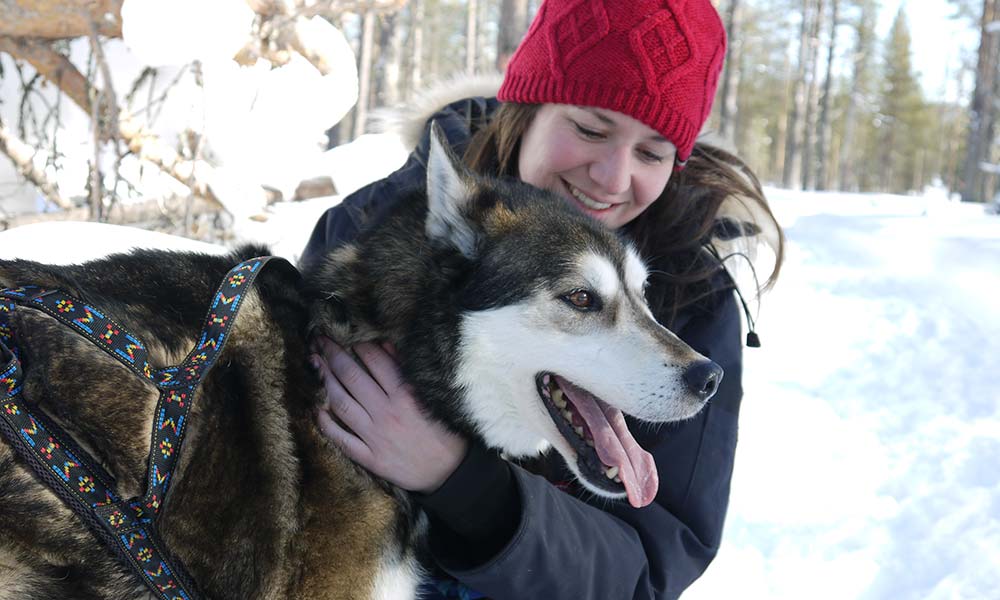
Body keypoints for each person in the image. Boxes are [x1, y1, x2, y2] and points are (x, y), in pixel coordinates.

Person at [302, 0, 784, 598]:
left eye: (653, 152)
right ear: (526, 113)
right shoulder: (375, 224)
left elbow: (649, 571)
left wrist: (462, 482)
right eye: (589, 128)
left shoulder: (694, 299)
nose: (611, 178)